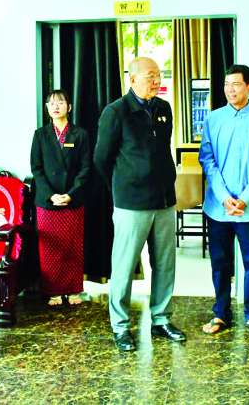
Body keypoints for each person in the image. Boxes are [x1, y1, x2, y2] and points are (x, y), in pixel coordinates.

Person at [94, 57, 186, 352]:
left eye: (158, 75)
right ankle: (120, 326)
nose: (156, 81)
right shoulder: (116, 112)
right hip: (131, 204)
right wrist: (123, 186)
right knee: (123, 267)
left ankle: (161, 319)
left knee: (165, 264)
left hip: (164, 200)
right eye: (149, 76)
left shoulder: (163, 108)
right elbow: (101, 159)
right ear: (132, 80)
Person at [198, 64, 249, 337]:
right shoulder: (213, 119)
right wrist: (224, 197)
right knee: (220, 261)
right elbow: (207, 159)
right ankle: (221, 312)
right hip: (217, 207)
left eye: (236, 84)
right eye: (226, 84)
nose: (230, 90)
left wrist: (245, 198)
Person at [30, 89, 91, 306]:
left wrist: (71, 195)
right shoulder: (40, 135)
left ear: (69, 107)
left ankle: (73, 290)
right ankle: (53, 291)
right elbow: (36, 168)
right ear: (47, 108)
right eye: (52, 103)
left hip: (73, 199)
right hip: (47, 201)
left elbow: (86, 168)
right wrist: (51, 195)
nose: (56, 106)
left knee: (73, 247)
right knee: (50, 249)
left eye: (61, 102)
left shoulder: (80, 134)